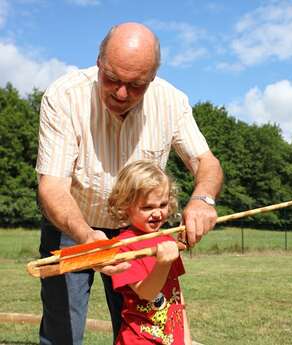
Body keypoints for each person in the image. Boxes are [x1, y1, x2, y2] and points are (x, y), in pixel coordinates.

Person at [35, 22, 223, 345]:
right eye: (112, 79)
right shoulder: (64, 96)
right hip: (73, 228)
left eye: (136, 85)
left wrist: (203, 199)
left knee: (143, 329)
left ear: (152, 78)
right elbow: (51, 187)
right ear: (98, 62)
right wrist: (88, 238)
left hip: (137, 235)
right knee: (61, 333)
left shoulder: (171, 102)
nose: (121, 93)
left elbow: (207, 163)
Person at [108, 159, 191, 345]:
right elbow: (146, 292)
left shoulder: (167, 240)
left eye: (162, 205)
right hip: (139, 339)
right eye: (147, 207)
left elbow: (177, 296)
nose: (157, 213)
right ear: (125, 205)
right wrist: (163, 263)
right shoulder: (123, 246)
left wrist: (185, 339)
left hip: (172, 337)